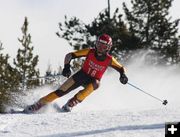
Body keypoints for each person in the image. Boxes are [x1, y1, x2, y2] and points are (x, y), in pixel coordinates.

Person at [23, 34, 128, 113]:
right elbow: (70, 55)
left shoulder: (109, 60)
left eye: (103, 46)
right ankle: (38, 104)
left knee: (97, 83)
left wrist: (123, 75)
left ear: (108, 48)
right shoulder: (90, 52)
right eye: (99, 44)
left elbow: (121, 68)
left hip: (92, 81)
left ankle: (71, 103)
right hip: (81, 76)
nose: (100, 48)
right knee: (61, 91)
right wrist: (67, 67)